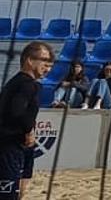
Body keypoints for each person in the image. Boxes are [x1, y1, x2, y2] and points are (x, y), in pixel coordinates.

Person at [1, 42, 55, 200]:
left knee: (19, 188)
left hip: (14, 145)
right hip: (9, 145)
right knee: (9, 193)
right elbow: (17, 110)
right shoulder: (28, 85)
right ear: (30, 61)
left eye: (50, 66)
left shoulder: (14, 83)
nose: (48, 69)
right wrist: (29, 130)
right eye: (45, 64)